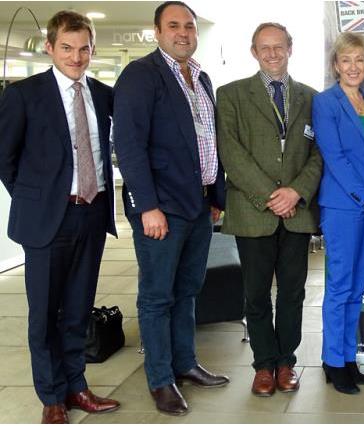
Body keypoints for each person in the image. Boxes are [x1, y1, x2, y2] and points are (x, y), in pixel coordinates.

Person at [0, 10, 120, 424]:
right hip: (47, 221)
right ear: (50, 47)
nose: (76, 56)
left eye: (84, 48)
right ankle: (52, 396)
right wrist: (38, 199)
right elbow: (6, 159)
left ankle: (78, 386)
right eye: (67, 48)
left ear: (92, 49)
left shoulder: (104, 94)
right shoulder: (24, 95)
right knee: (44, 313)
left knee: (77, 309)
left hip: (92, 214)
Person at [113, 1, 229, 416]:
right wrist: (148, 206)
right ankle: (161, 380)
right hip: (161, 209)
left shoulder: (201, 78)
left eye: (189, 26)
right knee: (157, 296)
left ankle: (186, 363)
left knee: (188, 291)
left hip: (198, 206)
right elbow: (128, 145)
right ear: (157, 31)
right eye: (174, 25)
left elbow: (207, 141)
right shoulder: (141, 76)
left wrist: (215, 198)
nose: (183, 32)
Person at [216, 22, 322, 397]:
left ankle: (285, 362)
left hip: (298, 212)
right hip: (252, 211)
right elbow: (230, 152)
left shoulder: (312, 98)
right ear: (254, 51)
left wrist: (295, 192)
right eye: (265, 47)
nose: (272, 54)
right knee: (256, 293)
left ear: (290, 48)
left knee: (293, 293)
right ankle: (263, 365)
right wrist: (270, 195)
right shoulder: (230, 95)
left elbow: (318, 153)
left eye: (279, 46)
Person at [311, 32, 364, 395]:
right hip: (344, 206)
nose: (353, 66)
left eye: (359, 59)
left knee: (358, 287)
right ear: (335, 65)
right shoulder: (325, 103)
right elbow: (335, 157)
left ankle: (348, 358)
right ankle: (332, 361)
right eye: (346, 60)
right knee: (340, 286)